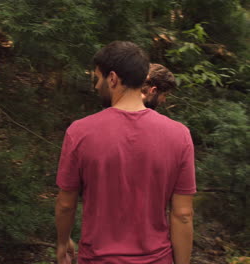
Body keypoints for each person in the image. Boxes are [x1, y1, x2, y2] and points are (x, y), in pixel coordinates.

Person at [55, 41, 196, 264]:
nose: (95, 86)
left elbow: (66, 204)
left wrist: (63, 243)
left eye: (97, 78)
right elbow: (183, 215)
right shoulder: (180, 135)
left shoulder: (80, 132)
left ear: (112, 79)